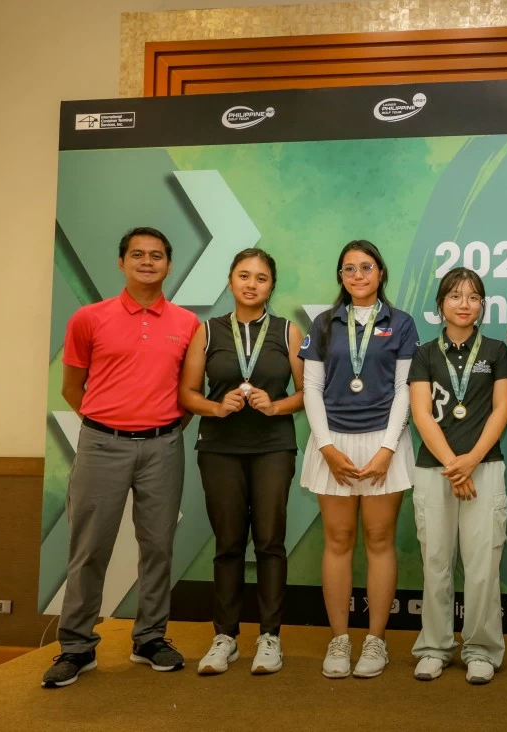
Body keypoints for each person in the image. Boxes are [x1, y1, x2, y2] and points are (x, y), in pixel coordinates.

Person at [43, 227, 200, 688]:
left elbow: (187, 394)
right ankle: (76, 646)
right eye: (137, 254)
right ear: (121, 262)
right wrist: (110, 424)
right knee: (89, 548)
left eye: (156, 256)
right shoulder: (89, 318)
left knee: (157, 547)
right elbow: (73, 388)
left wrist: (159, 428)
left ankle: (150, 638)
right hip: (101, 445)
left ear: (169, 265)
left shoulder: (187, 324)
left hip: (163, 447)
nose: (147, 262)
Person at [179, 248, 305, 676]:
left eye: (262, 277)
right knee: (229, 543)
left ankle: (270, 636)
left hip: (273, 446)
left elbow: (308, 393)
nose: (252, 284)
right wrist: (216, 408)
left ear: (272, 285)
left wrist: (277, 404)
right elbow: (187, 393)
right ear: (230, 281)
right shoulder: (208, 331)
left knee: (270, 541)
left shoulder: (289, 331)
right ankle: (225, 637)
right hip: (219, 448)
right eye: (244, 276)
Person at [298, 240, 419, 679]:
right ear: (341, 277)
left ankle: (375, 641)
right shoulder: (324, 323)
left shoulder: (401, 323)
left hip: (383, 443)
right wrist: (327, 447)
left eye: (366, 267)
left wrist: (388, 449)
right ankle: (339, 640)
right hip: (332, 443)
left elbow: (405, 390)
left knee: (380, 539)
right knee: (338, 539)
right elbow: (311, 388)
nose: (358, 275)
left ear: (380, 272)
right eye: (348, 269)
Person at [409, 268, 507, 685]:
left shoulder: (496, 351)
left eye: (473, 297)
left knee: (483, 564)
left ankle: (481, 649)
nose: (463, 304)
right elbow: (421, 414)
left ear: (482, 305)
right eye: (455, 296)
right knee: (435, 562)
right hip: (435, 469)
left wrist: (470, 460)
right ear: (440, 305)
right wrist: (454, 464)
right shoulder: (424, 353)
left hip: (484, 467)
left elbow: (502, 411)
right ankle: (434, 647)